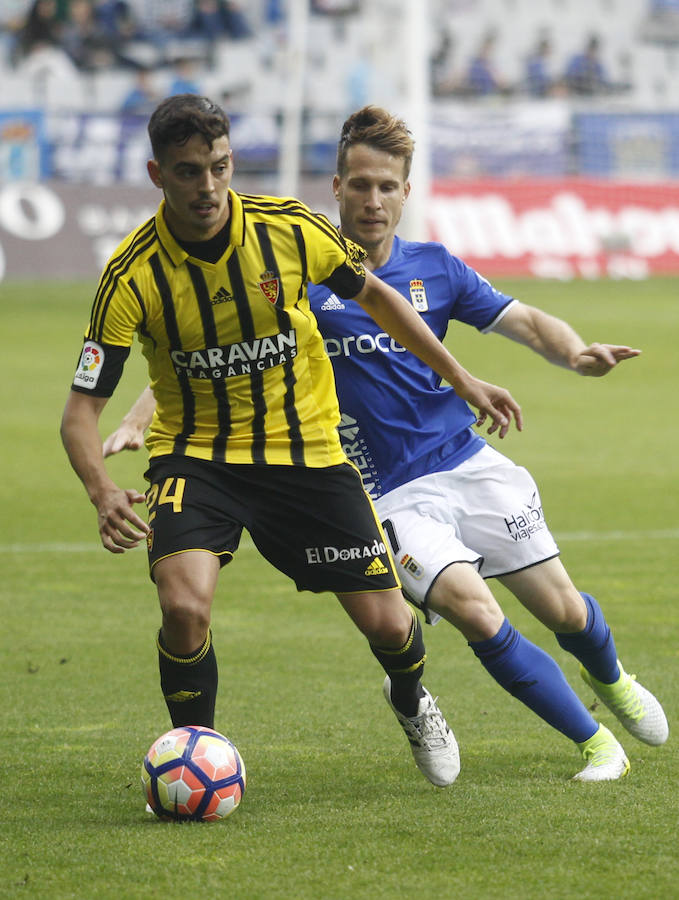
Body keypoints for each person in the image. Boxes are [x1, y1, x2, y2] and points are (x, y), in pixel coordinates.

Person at [107, 105, 669, 782]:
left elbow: (520, 319)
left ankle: (611, 679)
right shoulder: (295, 266)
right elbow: (210, 354)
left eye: (387, 187)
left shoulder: (434, 269)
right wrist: (142, 415)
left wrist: (576, 352)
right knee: (473, 610)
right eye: (360, 185)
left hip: (464, 461)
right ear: (337, 188)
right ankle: (592, 742)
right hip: (380, 491)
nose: (373, 201)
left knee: (563, 609)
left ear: (405, 193)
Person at [61, 94, 523, 792]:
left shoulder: (287, 230)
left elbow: (378, 298)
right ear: (158, 174)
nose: (208, 188)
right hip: (198, 455)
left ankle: (409, 698)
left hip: (307, 452)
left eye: (219, 167)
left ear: (231, 161)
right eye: (188, 172)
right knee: (183, 603)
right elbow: (79, 412)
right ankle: (198, 754)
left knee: (391, 627)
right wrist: (101, 492)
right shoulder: (132, 276)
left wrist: (460, 376)